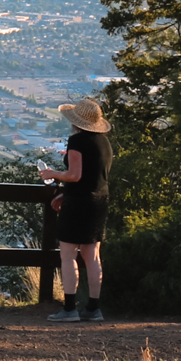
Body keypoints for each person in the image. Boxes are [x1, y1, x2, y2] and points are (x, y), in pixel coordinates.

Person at [39, 98, 114, 322]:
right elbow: (91, 176)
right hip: (99, 200)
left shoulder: (77, 141)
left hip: (79, 203)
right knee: (92, 256)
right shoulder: (104, 142)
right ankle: (93, 308)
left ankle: (69, 308)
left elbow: (75, 175)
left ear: (76, 121)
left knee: (68, 254)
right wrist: (66, 192)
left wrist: (52, 174)